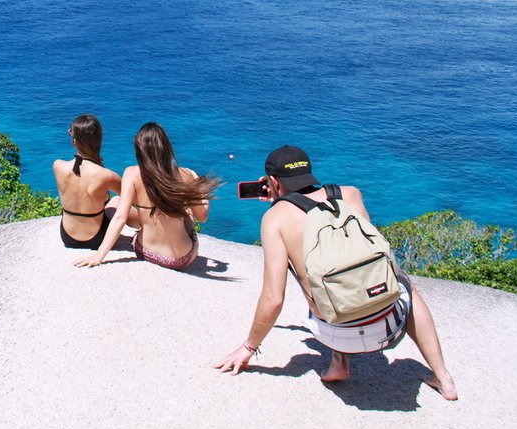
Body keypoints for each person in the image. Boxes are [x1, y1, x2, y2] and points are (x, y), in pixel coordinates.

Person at [213, 146, 458, 400]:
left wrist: (248, 347)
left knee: (318, 281)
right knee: (402, 283)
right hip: (389, 322)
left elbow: (273, 298)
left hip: (335, 332)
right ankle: (444, 378)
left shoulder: (275, 219)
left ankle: (339, 363)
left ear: (272, 182)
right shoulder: (351, 195)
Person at [74, 122, 217, 270]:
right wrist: (201, 189)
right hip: (182, 259)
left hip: (145, 252)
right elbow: (202, 217)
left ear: (139, 149)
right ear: (167, 147)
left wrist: (99, 257)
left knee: (117, 202)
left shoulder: (131, 173)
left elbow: (120, 218)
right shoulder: (187, 174)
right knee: (186, 212)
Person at [53, 114, 122, 249]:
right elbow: (131, 197)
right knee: (118, 200)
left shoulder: (58, 166)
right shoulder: (107, 175)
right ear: (99, 140)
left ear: (74, 141)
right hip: (98, 238)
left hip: (67, 237)